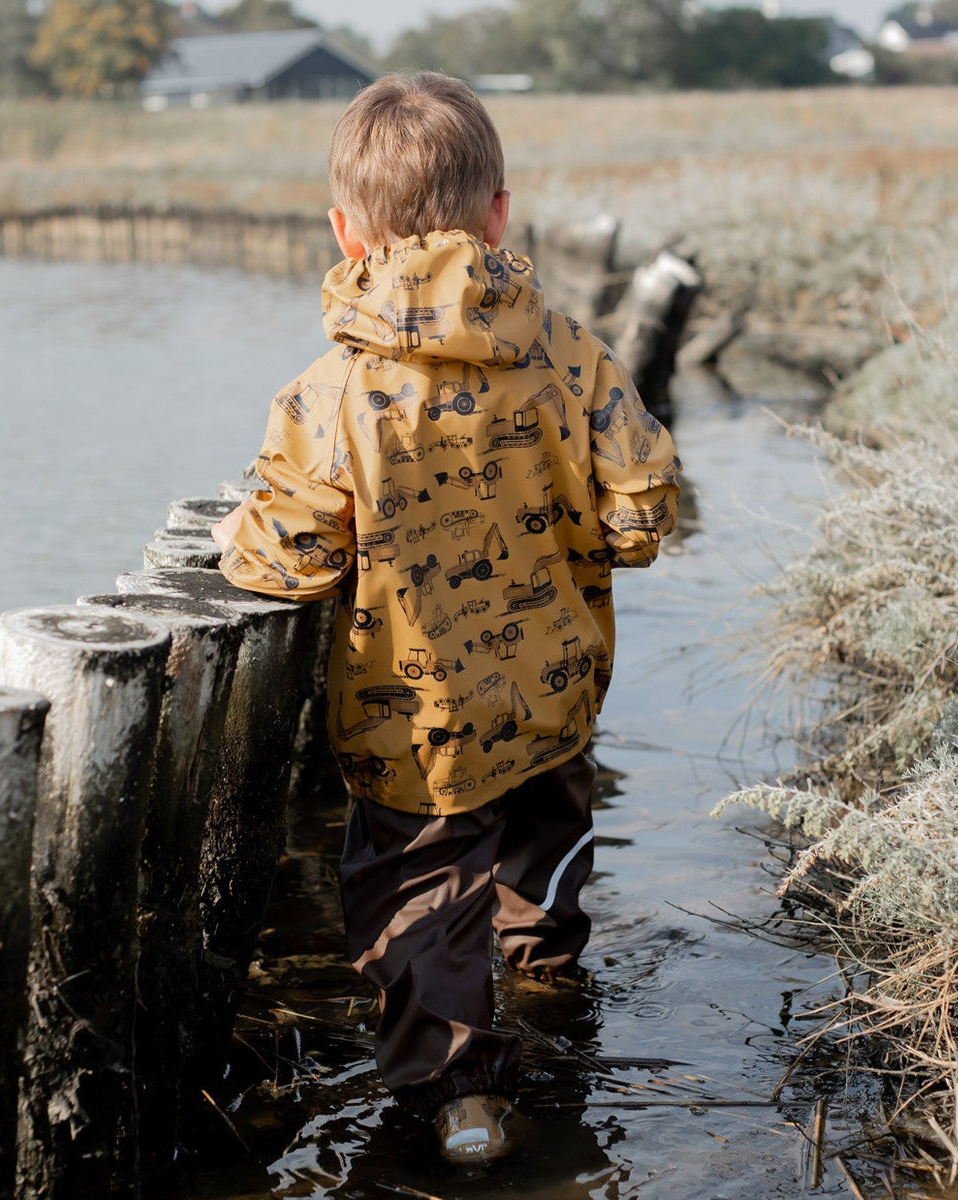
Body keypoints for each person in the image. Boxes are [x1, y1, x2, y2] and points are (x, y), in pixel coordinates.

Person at [211, 71, 680, 1165]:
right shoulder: (572, 357)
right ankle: (551, 990)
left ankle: (462, 1094)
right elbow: (644, 512)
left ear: (343, 230)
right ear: (499, 215)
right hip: (550, 697)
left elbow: (291, 557)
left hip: (411, 724)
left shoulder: (325, 396)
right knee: (546, 853)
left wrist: (235, 537)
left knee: (419, 896)